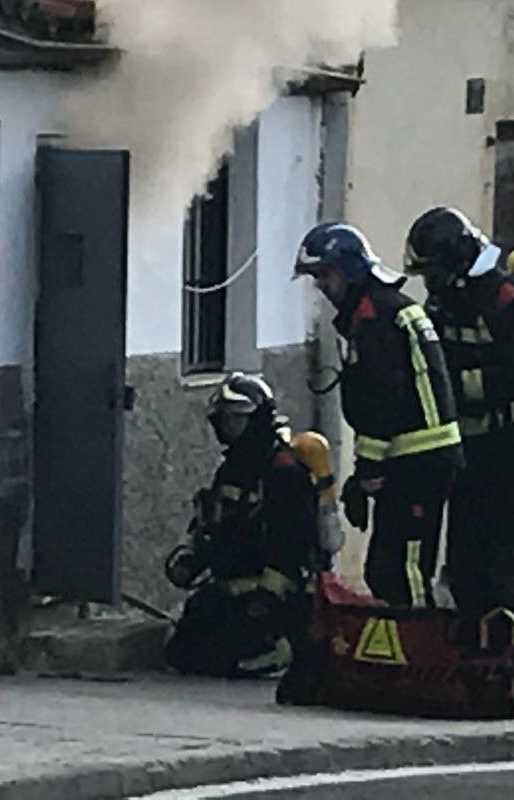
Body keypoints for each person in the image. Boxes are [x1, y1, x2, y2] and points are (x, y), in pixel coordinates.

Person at [405, 206, 514, 657]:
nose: (429, 281)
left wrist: (450, 385)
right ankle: (474, 654)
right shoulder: (444, 302)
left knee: (513, 555)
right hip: (467, 450)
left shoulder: (510, 302)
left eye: (432, 270)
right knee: (465, 557)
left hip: (513, 446)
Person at [292, 222, 462, 609]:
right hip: (415, 459)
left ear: (348, 269)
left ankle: (419, 641)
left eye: (324, 275)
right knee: (386, 570)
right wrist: (367, 472)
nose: (321, 286)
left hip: (419, 461)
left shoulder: (374, 317)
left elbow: (381, 399)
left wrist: (368, 469)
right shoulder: (385, 308)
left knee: (405, 570)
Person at [163, 373, 320, 680]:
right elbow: (219, 526)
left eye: (236, 419)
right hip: (229, 588)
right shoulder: (232, 468)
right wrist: (193, 562)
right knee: (180, 654)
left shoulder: (284, 472)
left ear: (257, 420)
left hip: (270, 595)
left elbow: (293, 545)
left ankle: (283, 647)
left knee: (219, 660)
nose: (228, 427)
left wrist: (268, 597)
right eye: (224, 420)